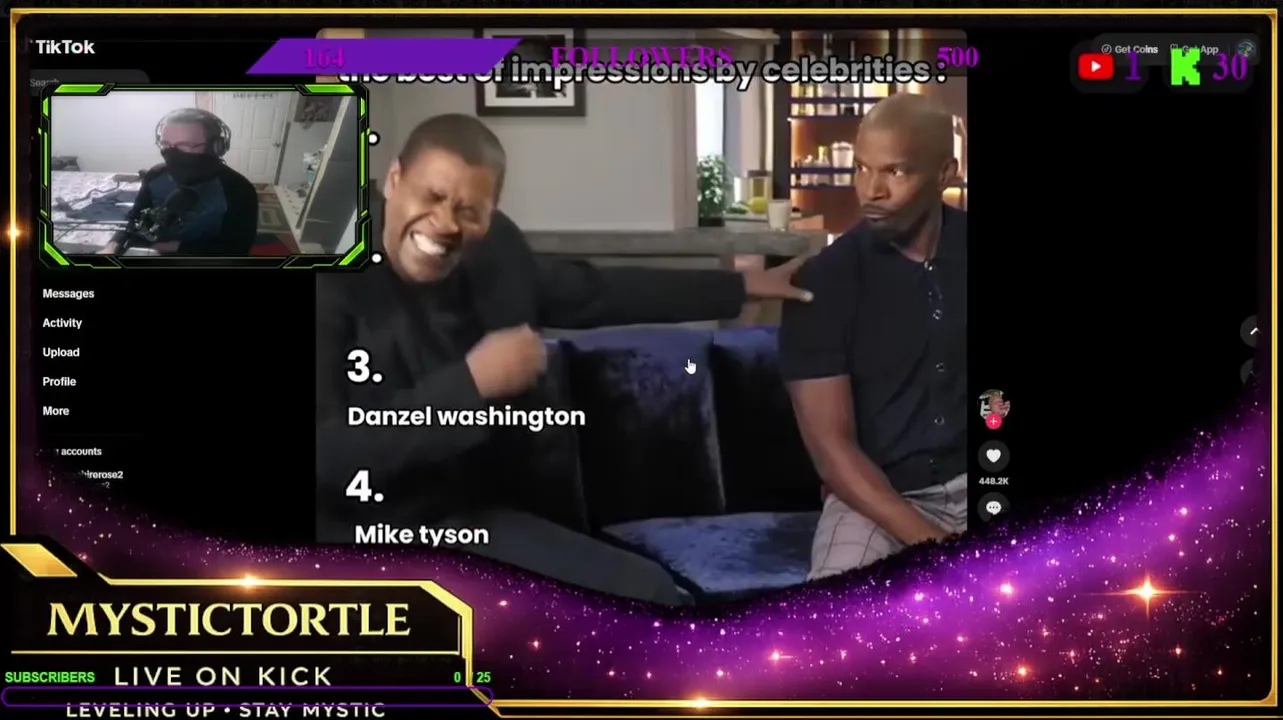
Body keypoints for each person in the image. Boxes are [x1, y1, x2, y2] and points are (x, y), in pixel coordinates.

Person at [314, 113, 812, 605]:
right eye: (432, 196)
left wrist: (742, 286)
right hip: (352, 533)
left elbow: (595, 292)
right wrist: (473, 383)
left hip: (468, 515)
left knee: (647, 595)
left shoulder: (496, 254)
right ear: (394, 180)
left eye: (469, 211)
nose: (445, 224)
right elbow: (329, 455)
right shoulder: (324, 271)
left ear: (491, 213)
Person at [779, 93, 968, 580]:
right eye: (861, 169)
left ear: (945, 173)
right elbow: (832, 451)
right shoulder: (823, 280)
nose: (871, 191)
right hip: (875, 499)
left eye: (895, 171)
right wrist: (939, 548)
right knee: (838, 613)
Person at [99, 108, 258, 256]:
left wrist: (172, 247)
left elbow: (237, 248)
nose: (172, 152)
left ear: (215, 147)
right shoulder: (155, 175)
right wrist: (113, 246)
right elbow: (134, 219)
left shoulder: (239, 189)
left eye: (185, 145)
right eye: (165, 144)